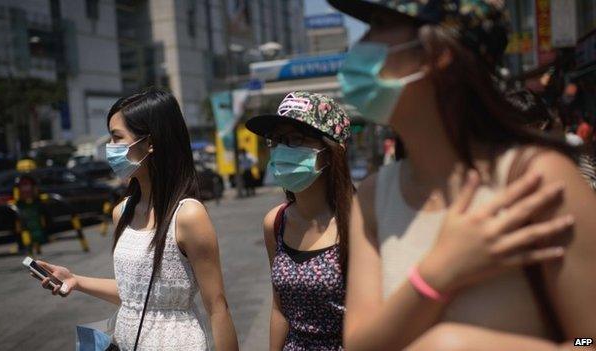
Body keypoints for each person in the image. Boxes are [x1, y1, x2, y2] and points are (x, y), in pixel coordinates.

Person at [331, 0, 596, 349]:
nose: (361, 42)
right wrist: (438, 274)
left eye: (380, 23)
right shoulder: (373, 196)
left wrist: (455, 344)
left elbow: (585, 339)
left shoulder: (538, 179)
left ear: (438, 52)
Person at [32, 88, 238, 351]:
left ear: (150, 143)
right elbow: (136, 295)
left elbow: (217, 306)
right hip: (127, 340)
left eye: (117, 137)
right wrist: (75, 280)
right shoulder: (122, 211)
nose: (110, 148)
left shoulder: (188, 215)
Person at [246, 91, 354, 350]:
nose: (282, 150)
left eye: (294, 139)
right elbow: (280, 308)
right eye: (277, 140)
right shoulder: (276, 222)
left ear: (329, 152)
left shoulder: (359, 221)